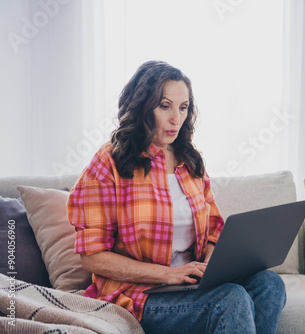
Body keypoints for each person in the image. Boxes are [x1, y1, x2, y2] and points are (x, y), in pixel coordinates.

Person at [67, 60, 286, 333]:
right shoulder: (109, 161)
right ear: (143, 107)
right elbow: (92, 257)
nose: (176, 119)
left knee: (270, 285)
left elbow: (214, 229)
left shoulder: (189, 161)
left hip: (190, 284)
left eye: (183, 108)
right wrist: (168, 274)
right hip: (139, 294)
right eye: (165, 106)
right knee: (230, 298)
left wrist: (211, 264)